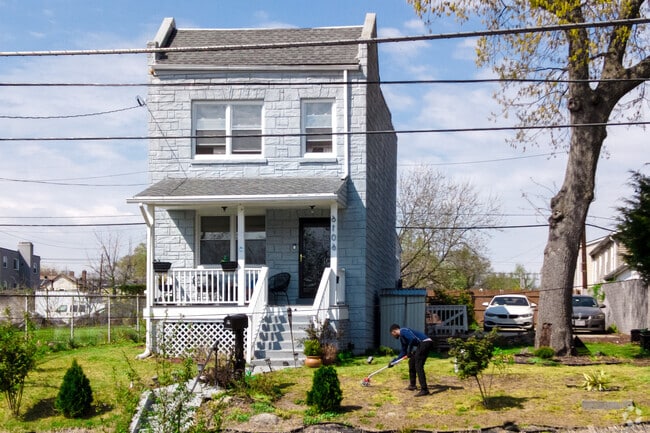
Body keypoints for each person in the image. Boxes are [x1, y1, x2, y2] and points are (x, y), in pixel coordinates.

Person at [388, 323, 434, 396]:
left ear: (394, 331)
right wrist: (394, 362)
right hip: (421, 345)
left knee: (418, 365)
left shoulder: (403, 331)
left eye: (392, 334)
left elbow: (412, 339)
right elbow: (403, 352)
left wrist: (409, 351)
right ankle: (413, 385)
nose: (393, 336)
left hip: (426, 342)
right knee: (411, 362)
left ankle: (424, 390)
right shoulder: (402, 338)